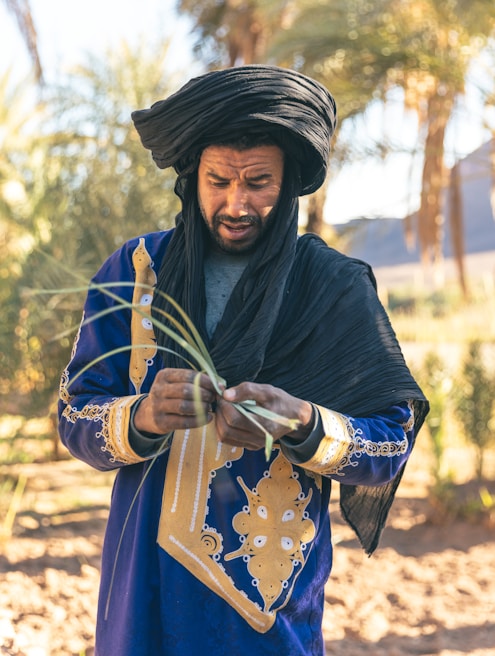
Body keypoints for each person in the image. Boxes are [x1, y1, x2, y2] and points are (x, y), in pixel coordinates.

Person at [58, 65, 428, 656]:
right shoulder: (133, 274)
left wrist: (303, 422)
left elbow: (388, 446)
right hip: (142, 595)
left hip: (265, 604)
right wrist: (144, 415)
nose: (237, 202)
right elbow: (74, 416)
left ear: (289, 185)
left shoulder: (332, 287)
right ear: (190, 177)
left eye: (258, 182)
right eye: (218, 181)